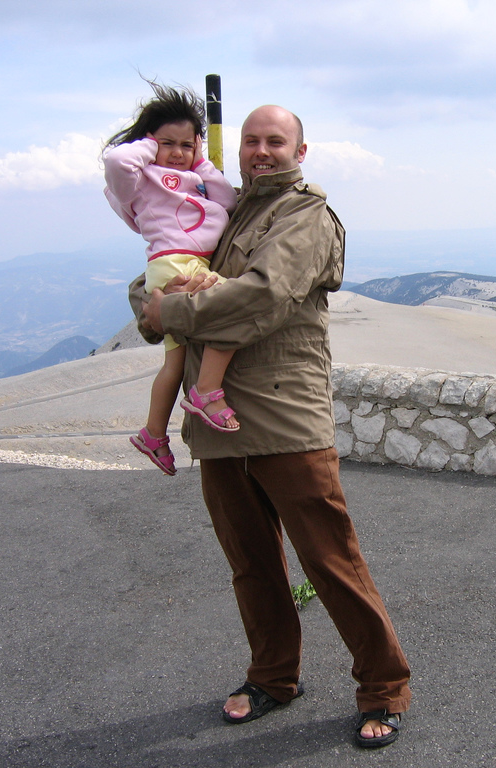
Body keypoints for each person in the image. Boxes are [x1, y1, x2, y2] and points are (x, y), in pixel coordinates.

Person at [130, 105, 411, 748]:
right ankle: (273, 677)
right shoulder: (224, 209)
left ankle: (384, 687)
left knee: (331, 560)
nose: (260, 151)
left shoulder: (308, 216)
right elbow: (153, 277)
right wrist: (158, 304)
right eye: (251, 140)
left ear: (300, 149)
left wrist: (169, 310)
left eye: (274, 141)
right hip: (217, 420)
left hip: (285, 416)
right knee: (251, 564)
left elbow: (261, 294)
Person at [103, 82, 240, 476]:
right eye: (168, 143)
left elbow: (227, 201)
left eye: (186, 145)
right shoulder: (141, 178)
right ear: (148, 142)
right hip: (176, 263)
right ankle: (206, 393)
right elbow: (116, 164)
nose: (177, 154)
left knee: (175, 363)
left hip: (179, 263)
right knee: (227, 311)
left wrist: (201, 163)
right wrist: (149, 148)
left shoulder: (195, 175)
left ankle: (153, 433)